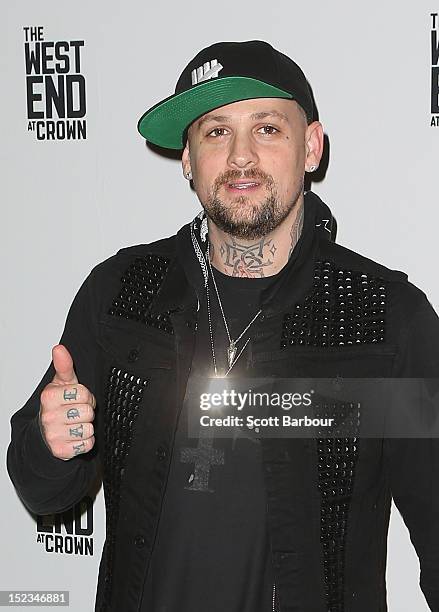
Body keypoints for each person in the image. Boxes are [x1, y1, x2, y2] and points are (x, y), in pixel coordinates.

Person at [7, 40, 439, 612]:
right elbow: (41, 486)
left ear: (310, 146)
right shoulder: (121, 295)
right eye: (215, 131)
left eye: (266, 128)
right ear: (188, 159)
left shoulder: (383, 319)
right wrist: (50, 444)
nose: (240, 156)